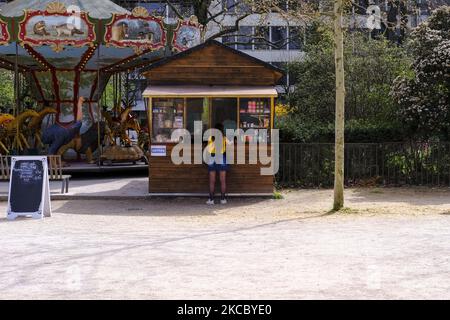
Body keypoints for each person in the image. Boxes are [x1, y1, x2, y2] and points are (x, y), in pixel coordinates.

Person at [206, 123, 230, 205]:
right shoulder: (224, 138)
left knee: (212, 181)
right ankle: (223, 199)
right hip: (221, 157)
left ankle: (211, 200)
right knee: (223, 181)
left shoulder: (210, 138)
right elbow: (231, 144)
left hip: (212, 158)